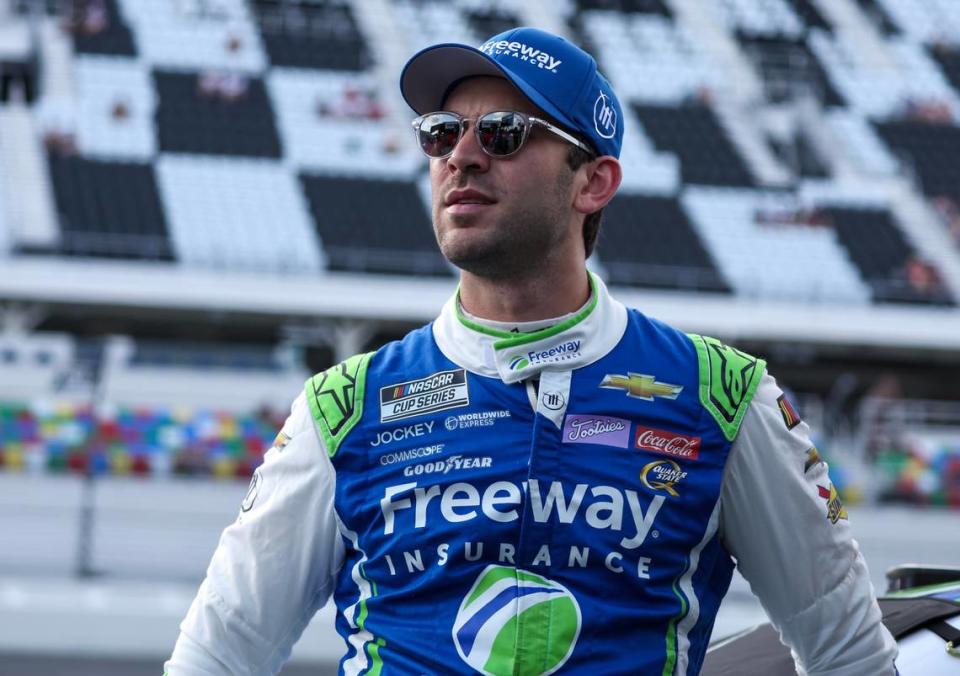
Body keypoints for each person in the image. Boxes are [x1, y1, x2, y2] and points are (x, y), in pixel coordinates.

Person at [165, 27, 898, 675]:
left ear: (594, 182)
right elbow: (220, 654)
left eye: (505, 133)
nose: (463, 156)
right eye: (441, 132)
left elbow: (850, 656)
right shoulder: (345, 406)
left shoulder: (721, 397)